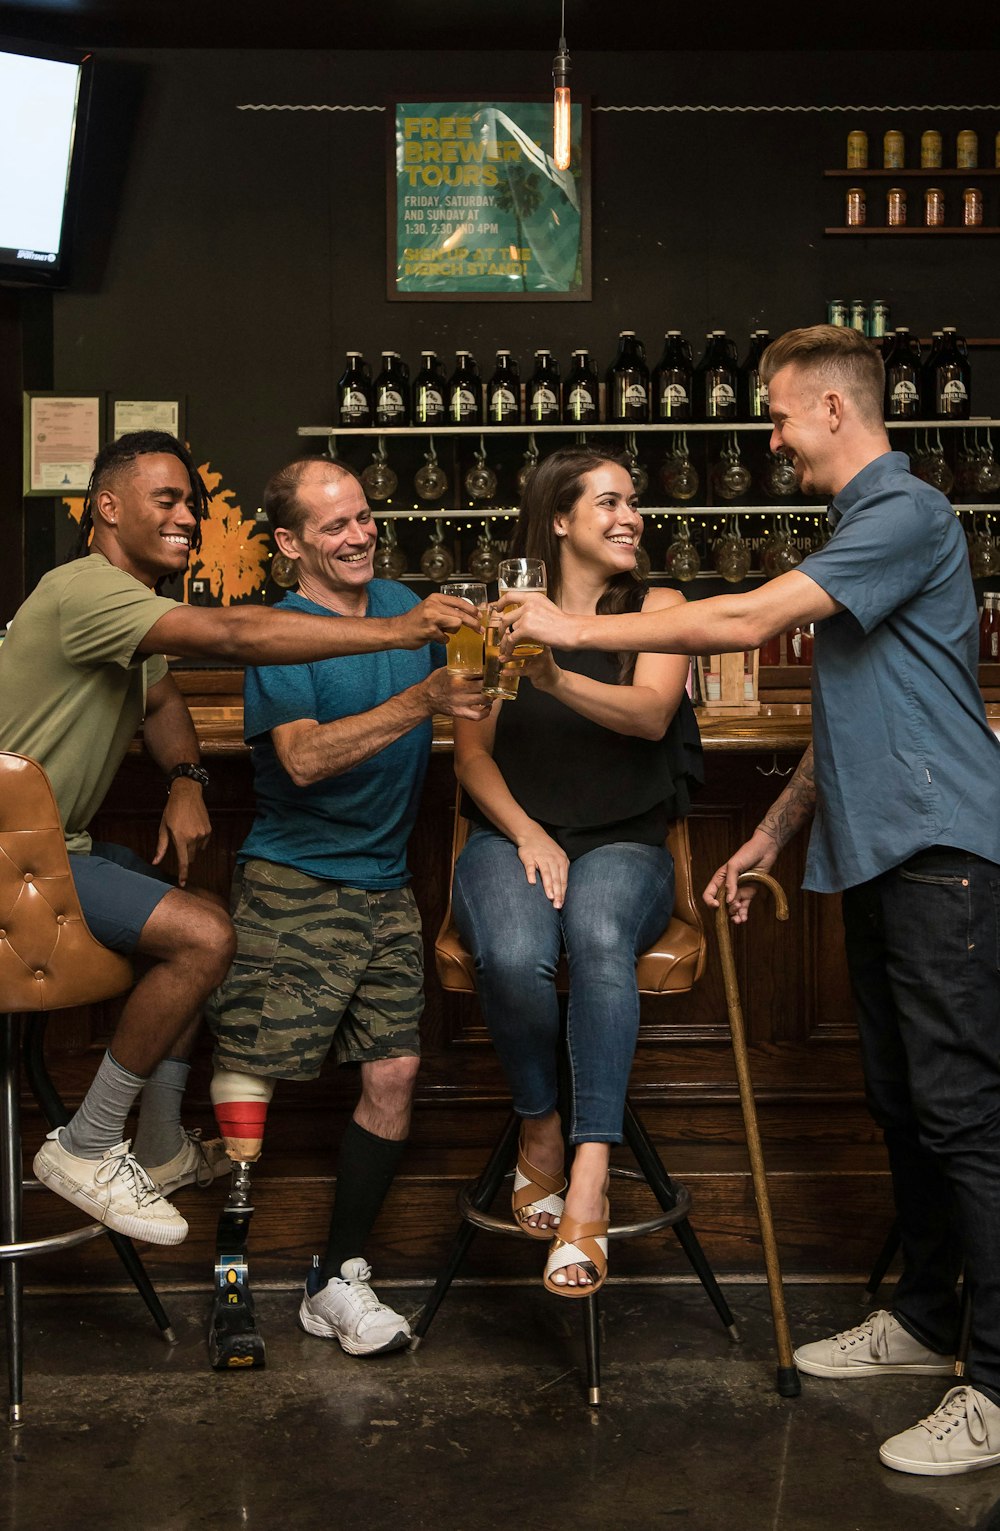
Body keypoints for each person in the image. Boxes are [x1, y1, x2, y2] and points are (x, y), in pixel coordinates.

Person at [499, 325, 1000, 1477]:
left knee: (964, 1113)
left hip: (945, 858)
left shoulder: (904, 512)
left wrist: (573, 627)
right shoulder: (861, 532)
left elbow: (741, 621)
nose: (769, 439)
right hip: (884, 856)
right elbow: (859, 715)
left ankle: (994, 1381)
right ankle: (926, 1319)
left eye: (778, 416)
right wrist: (772, 834)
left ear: (832, 408)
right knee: (904, 1102)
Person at [0, 431, 479, 1250]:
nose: (189, 516)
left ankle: (156, 1142)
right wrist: (403, 638)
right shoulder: (84, 589)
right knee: (205, 937)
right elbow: (235, 640)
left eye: (193, 501)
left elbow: (160, 699)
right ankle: (86, 1141)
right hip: (15, 861)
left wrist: (187, 777)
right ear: (106, 508)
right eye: (168, 500)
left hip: (58, 850)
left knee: (191, 919)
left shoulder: (124, 603)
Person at [206, 456, 492, 1356]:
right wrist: (424, 694)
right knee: (252, 1080)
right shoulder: (280, 634)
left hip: (386, 887)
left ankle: (335, 1276)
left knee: (395, 1074)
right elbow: (301, 760)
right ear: (289, 543)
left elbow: (482, 698)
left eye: (364, 515)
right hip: (294, 883)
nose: (360, 534)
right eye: (335, 525)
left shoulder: (408, 605)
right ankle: (230, 1282)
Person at [451, 446, 702, 1298]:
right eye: (609, 502)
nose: (631, 515)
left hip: (627, 841)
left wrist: (554, 673)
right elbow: (472, 753)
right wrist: (525, 831)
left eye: (633, 502)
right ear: (559, 520)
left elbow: (650, 714)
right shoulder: (495, 617)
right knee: (517, 951)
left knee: (597, 936)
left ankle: (589, 1177)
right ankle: (541, 1127)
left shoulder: (662, 606)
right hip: (514, 837)